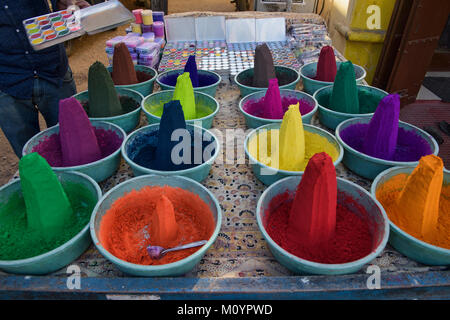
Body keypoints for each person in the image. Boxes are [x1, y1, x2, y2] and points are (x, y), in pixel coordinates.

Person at [0, 0, 89, 158]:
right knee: (30, 158)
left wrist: (65, 5)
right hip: (8, 78)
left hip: (52, 68)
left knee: (76, 142)